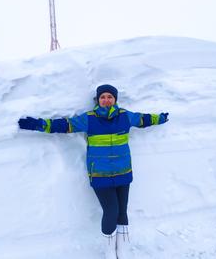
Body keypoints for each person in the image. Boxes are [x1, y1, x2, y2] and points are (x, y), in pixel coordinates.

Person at [18, 84, 169, 259]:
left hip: (123, 172)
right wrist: (38, 124)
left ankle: (123, 249)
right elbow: (64, 125)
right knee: (111, 210)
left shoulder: (125, 116)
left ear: (115, 99)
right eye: (103, 97)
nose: (106, 100)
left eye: (109, 97)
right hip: (100, 174)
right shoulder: (89, 119)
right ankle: (109, 251)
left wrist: (161, 118)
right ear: (98, 100)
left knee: (122, 211)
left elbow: (144, 119)